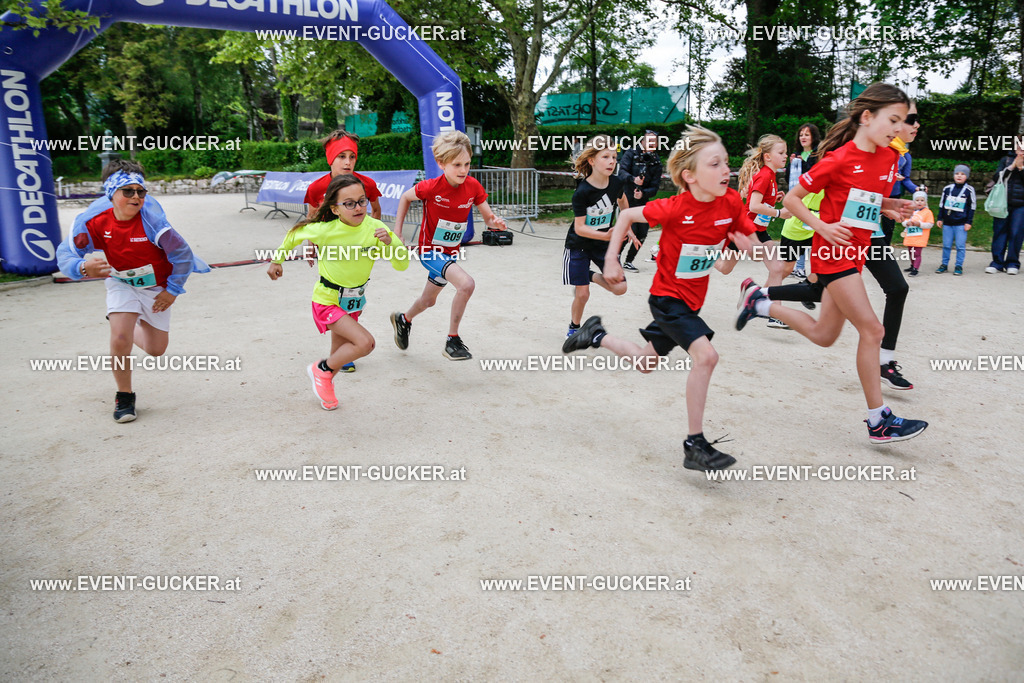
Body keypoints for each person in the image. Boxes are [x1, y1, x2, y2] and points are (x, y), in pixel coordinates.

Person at [736, 82, 928, 444]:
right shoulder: (839, 159)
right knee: (872, 330)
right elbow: (793, 199)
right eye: (894, 119)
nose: (899, 128)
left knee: (825, 336)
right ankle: (879, 420)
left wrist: (890, 206)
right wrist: (822, 226)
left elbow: (862, 199)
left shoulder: (889, 158)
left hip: (855, 252)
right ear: (867, 117)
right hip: (831, 252)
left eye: (903, 121)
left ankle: (760, 303)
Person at [562, 125, 758, 471]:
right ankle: (694, 444)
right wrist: (610, 258)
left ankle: (595, 334)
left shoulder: (730, 202)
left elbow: (736, 253)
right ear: (690, 176)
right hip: (668, 300)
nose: (727, 170)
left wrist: (750, 249)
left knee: (644, 362)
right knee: (707, 357)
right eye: (715, 164)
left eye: (726, 162)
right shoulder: (674, 207)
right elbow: (625, 215)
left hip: (690, 302)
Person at [56, 160, 209, 422]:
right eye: (128, 191)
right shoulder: (91, 220)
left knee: (156, 349)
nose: (136, 197)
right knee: (119, 338)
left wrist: (172, 290)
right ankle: (124, 396)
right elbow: (66, 253)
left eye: (141, 191)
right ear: (110, 193)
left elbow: (183, 254)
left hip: (157, 286)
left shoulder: (153, 221)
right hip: (121, 281)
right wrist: (81, 267)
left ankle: (127, 319)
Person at [267, 175, 409, 410]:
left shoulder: (376, 228)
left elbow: (402, 264)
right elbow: (294, 235)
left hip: (354, 301)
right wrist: (277, 261)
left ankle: (325, 380)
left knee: (338, 354)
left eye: (362, 201)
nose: (359, 207)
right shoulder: (325, 230)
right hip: (327, 300)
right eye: (349, 203)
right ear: (335, 208)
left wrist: (391, 242)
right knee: (365, 344)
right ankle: (319, 369)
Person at [389, 131, 507, 360]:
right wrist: (397, 232)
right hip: (430, 252)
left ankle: (404, 319)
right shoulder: (431, 187)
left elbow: (489, 216)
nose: (464, 170)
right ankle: (452, 340)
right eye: (457, 165)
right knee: (466, 284)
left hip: (450, 255)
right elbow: (404, 197)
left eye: (467, 164)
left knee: (428, 301)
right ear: (441, 164)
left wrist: (496, 223)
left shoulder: (473, 186)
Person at [302, 130, 383, 372]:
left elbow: (376, 211)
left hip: (359, 252)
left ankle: (339, 353)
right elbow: (311, 219)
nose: (348, 162)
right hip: (331, 253)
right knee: (335, 294)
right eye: (341, 157)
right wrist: (310, 246)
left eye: (352, 157)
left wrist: (373, 240)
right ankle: (339, 355)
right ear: (330, 159)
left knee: (353, 296)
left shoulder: (366, 184)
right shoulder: (317, 188)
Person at [562, 135, 636, 338]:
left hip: (603, 246)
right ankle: (574, 328)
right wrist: (607, 236)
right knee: (582, 293)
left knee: (620, 288)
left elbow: (623, 203)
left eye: (614, 157)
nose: (612, 161)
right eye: (606, 157)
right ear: (592, 160)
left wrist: (627, 225)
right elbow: (579, 228)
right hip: (578, 245)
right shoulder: (582, 192)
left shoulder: (617, 182)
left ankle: (587, 274)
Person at [718, 134, 791, 328]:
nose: (786, 156)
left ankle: (769, 309)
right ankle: (707, 253)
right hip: (746, 229)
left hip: (759, 230)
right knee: (725, 268)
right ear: (768, 156)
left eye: (786, 152)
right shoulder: (765, 175)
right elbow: (753, 205)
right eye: (781, 152)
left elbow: (759, 203)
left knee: (777, 268)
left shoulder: (771, 176)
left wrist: (773, 200)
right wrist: (778, 212)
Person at [618, 130, 663, 272]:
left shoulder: (656, 162)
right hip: (626, 199)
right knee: (628, 230)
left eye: (654, 142)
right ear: (642, 142)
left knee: (642, 232)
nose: (651, 144)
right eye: (648, 141)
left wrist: (643, 193)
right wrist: (633, 179)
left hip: (642, 202)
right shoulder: (631, 153)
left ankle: (629, 261)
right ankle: (615, 257)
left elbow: (655, 188)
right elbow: (621, 173)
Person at [787, 123, 821, 278]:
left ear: (814, 136)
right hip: (797, 200)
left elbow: (814, 176)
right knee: (799, 235)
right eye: (801, 135)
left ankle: (801, 267)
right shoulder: (796, 153)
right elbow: (789, 178)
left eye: (807, 134)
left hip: (812, 201)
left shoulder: (818, 154)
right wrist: (791, 164)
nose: (803, 137)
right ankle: (796, 267)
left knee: (810, 234)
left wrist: (803, 163)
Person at [986, 141, 1024, 274]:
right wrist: (1012, 166)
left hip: (1021, 205)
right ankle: (997, 262)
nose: (1021, 150)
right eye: (1019, 147)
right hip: (1002, 203)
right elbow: (997, 178)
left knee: (1016, 233)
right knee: (999, 232)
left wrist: (1021, 169)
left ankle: (1012, 263)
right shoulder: (1006, 159)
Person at [935, 165, 976, 276]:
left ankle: (959, 265)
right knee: (946, 245)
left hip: (961, 223)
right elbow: (941, 204)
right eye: (957, 173)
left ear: (966, 177)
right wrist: (940, 218)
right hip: (948, 222)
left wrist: (969, 222)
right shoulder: (947, 189)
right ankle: (944, 264)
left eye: (962, 174)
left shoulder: (969, 190)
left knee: (960, 245)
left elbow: (972, 207)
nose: (959, 176)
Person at [900, 190, 934, 276]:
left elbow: (930, 224)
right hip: (910, 236)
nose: (919, 202)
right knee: (911, 252)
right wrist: (907, 223)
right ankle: (912, 265)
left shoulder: (927, 212)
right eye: (917, 200)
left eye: (922, 200)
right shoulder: (911, 211)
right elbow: (904, 221)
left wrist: (920, 224)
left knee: (917, 253)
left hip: (920, 237)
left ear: (925, 201)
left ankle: (916, 268)